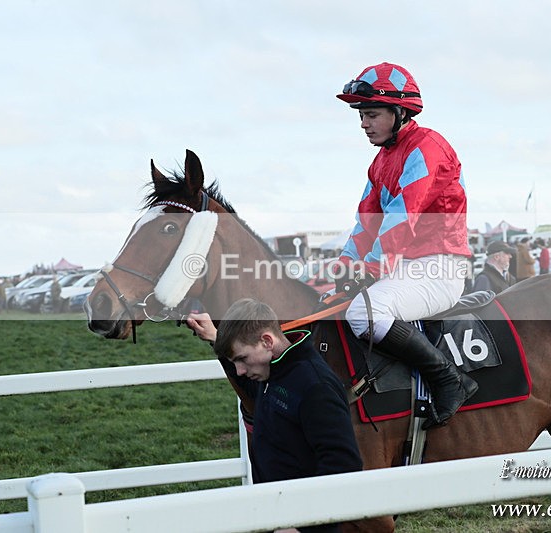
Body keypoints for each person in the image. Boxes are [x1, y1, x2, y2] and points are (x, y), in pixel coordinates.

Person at [334, 62, 472, 428]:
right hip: (403, 269)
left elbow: (400, 216)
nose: (364, 124)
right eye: (361, 116)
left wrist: (369, 268)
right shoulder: (380, 161)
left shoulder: (427, 147)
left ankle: (449, 380)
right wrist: (343, 267)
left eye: (372, 114)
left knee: (363, 314)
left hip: (438, 268)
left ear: (399, 112)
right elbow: (366, 222)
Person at [186, 299, 362, 533]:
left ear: (267, 341)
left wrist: (303, 528)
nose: (240, 370)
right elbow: (253, 390)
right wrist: (215, 338)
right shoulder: (273, 369)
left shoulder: (316, 387)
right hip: (275, 516)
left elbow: (344, 465)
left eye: (242, 359)